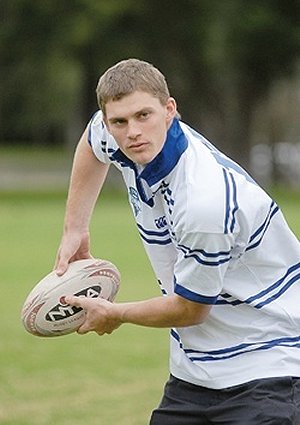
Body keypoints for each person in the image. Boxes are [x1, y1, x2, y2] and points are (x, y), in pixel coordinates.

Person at [55, 58, 300, 424]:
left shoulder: (203, 199)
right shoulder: (116, 136)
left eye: (144, 116)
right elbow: (92, 144)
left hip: (267, 368)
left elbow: (190, 310)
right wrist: (75, 228)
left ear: (170, 110)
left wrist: (116, 314)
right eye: (119, 121)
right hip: (194, 374)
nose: (132, 131)